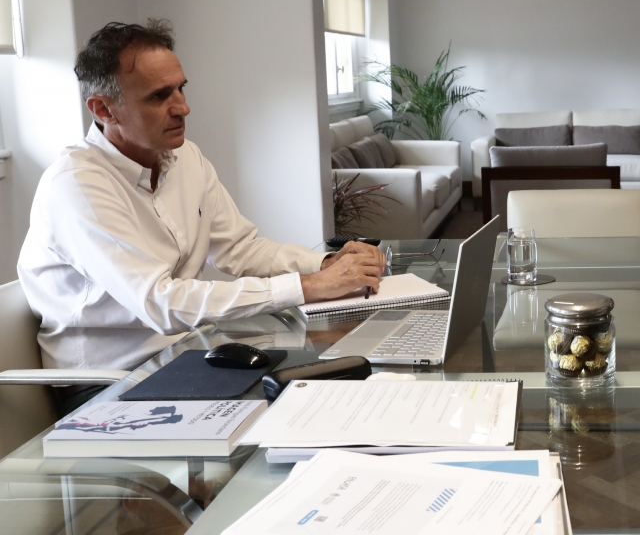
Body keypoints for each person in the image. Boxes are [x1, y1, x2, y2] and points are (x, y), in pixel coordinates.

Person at [18, 20, 385, 395]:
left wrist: (326, 265)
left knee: (342, 379)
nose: (183, 107)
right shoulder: (77, 185)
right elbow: (161, 303)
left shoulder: (185, 157)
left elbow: (240, 249)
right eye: (159, 96)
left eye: (181, 88)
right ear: (103, 109)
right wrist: (308, 287)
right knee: (299, 403)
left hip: (186, 355)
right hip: (108, 386)